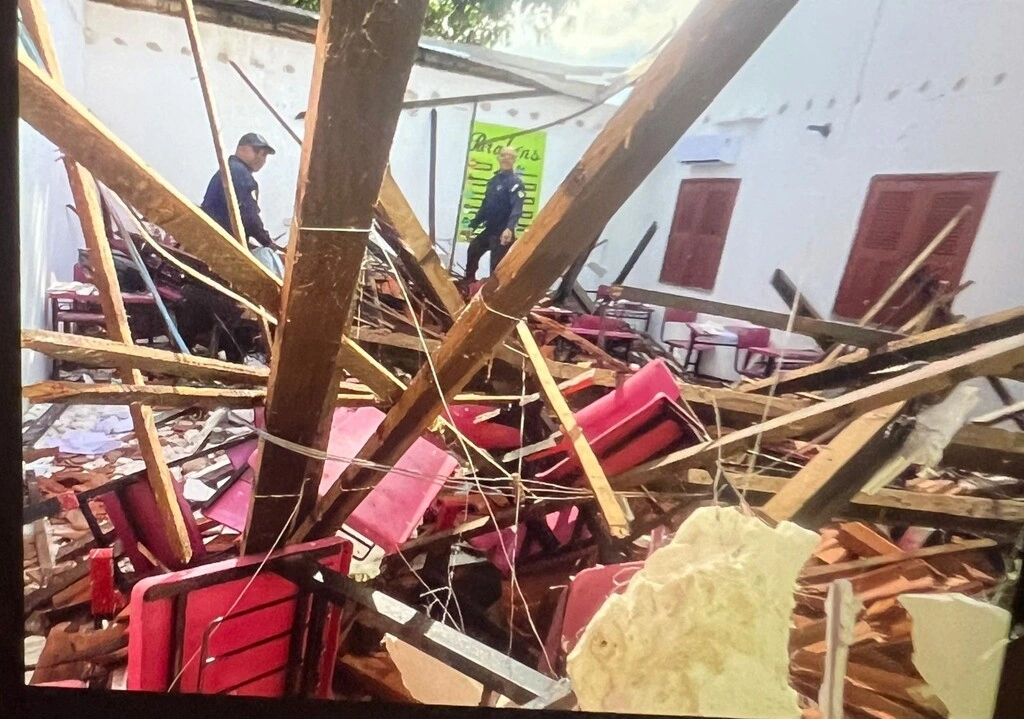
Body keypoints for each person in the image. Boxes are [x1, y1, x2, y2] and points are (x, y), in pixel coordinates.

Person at [201, 132, 277, 249]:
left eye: (264, 155)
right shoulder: (239, 173)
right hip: (221, 242)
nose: (261, 158)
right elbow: (249, 216)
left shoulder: (230, 169)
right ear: (241, 149)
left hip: (209, 235)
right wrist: (267, 242)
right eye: (257, 151)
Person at [462, 146, 525, 283]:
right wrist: (473, 225)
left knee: (496, 268)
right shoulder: (493, 181)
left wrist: (509, 228)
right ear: (498, 157)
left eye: (510, 156)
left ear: (514, 160)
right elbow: (485, 206)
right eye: (503, 155)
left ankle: (493, 295)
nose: (506, 158)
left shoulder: (515, 183)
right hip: (490, 229)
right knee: (474, 249)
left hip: (503, 233)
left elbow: (517, 208)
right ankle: (468, 282)